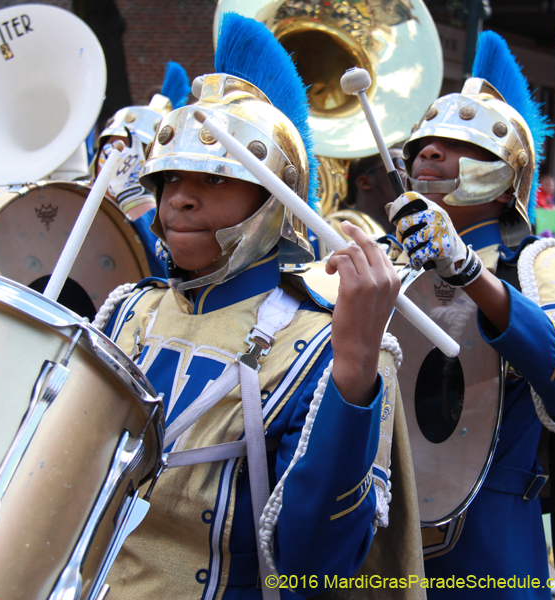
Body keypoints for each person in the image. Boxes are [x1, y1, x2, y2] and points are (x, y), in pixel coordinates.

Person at [96, 15, 407, 599]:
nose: (179, 198)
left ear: (275, 200)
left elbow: (315, 568)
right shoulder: (125, 312)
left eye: (214, 179)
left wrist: (357, 364)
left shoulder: (320, 346)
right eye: (170, 178)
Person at [387, 30, 555, 599]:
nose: (428, 152)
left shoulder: (539, 259)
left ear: (506, 177)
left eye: (458, 145)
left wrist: (471, 273)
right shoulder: (382, 256)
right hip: (378, 525)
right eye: (424, 142)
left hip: (488, 545)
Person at [91, 60, 191, 278]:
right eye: (110, 149)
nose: (115, 157)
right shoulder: (73, 200)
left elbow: (170, 272)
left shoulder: (171, 214)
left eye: (130, 152)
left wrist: (133, 199)